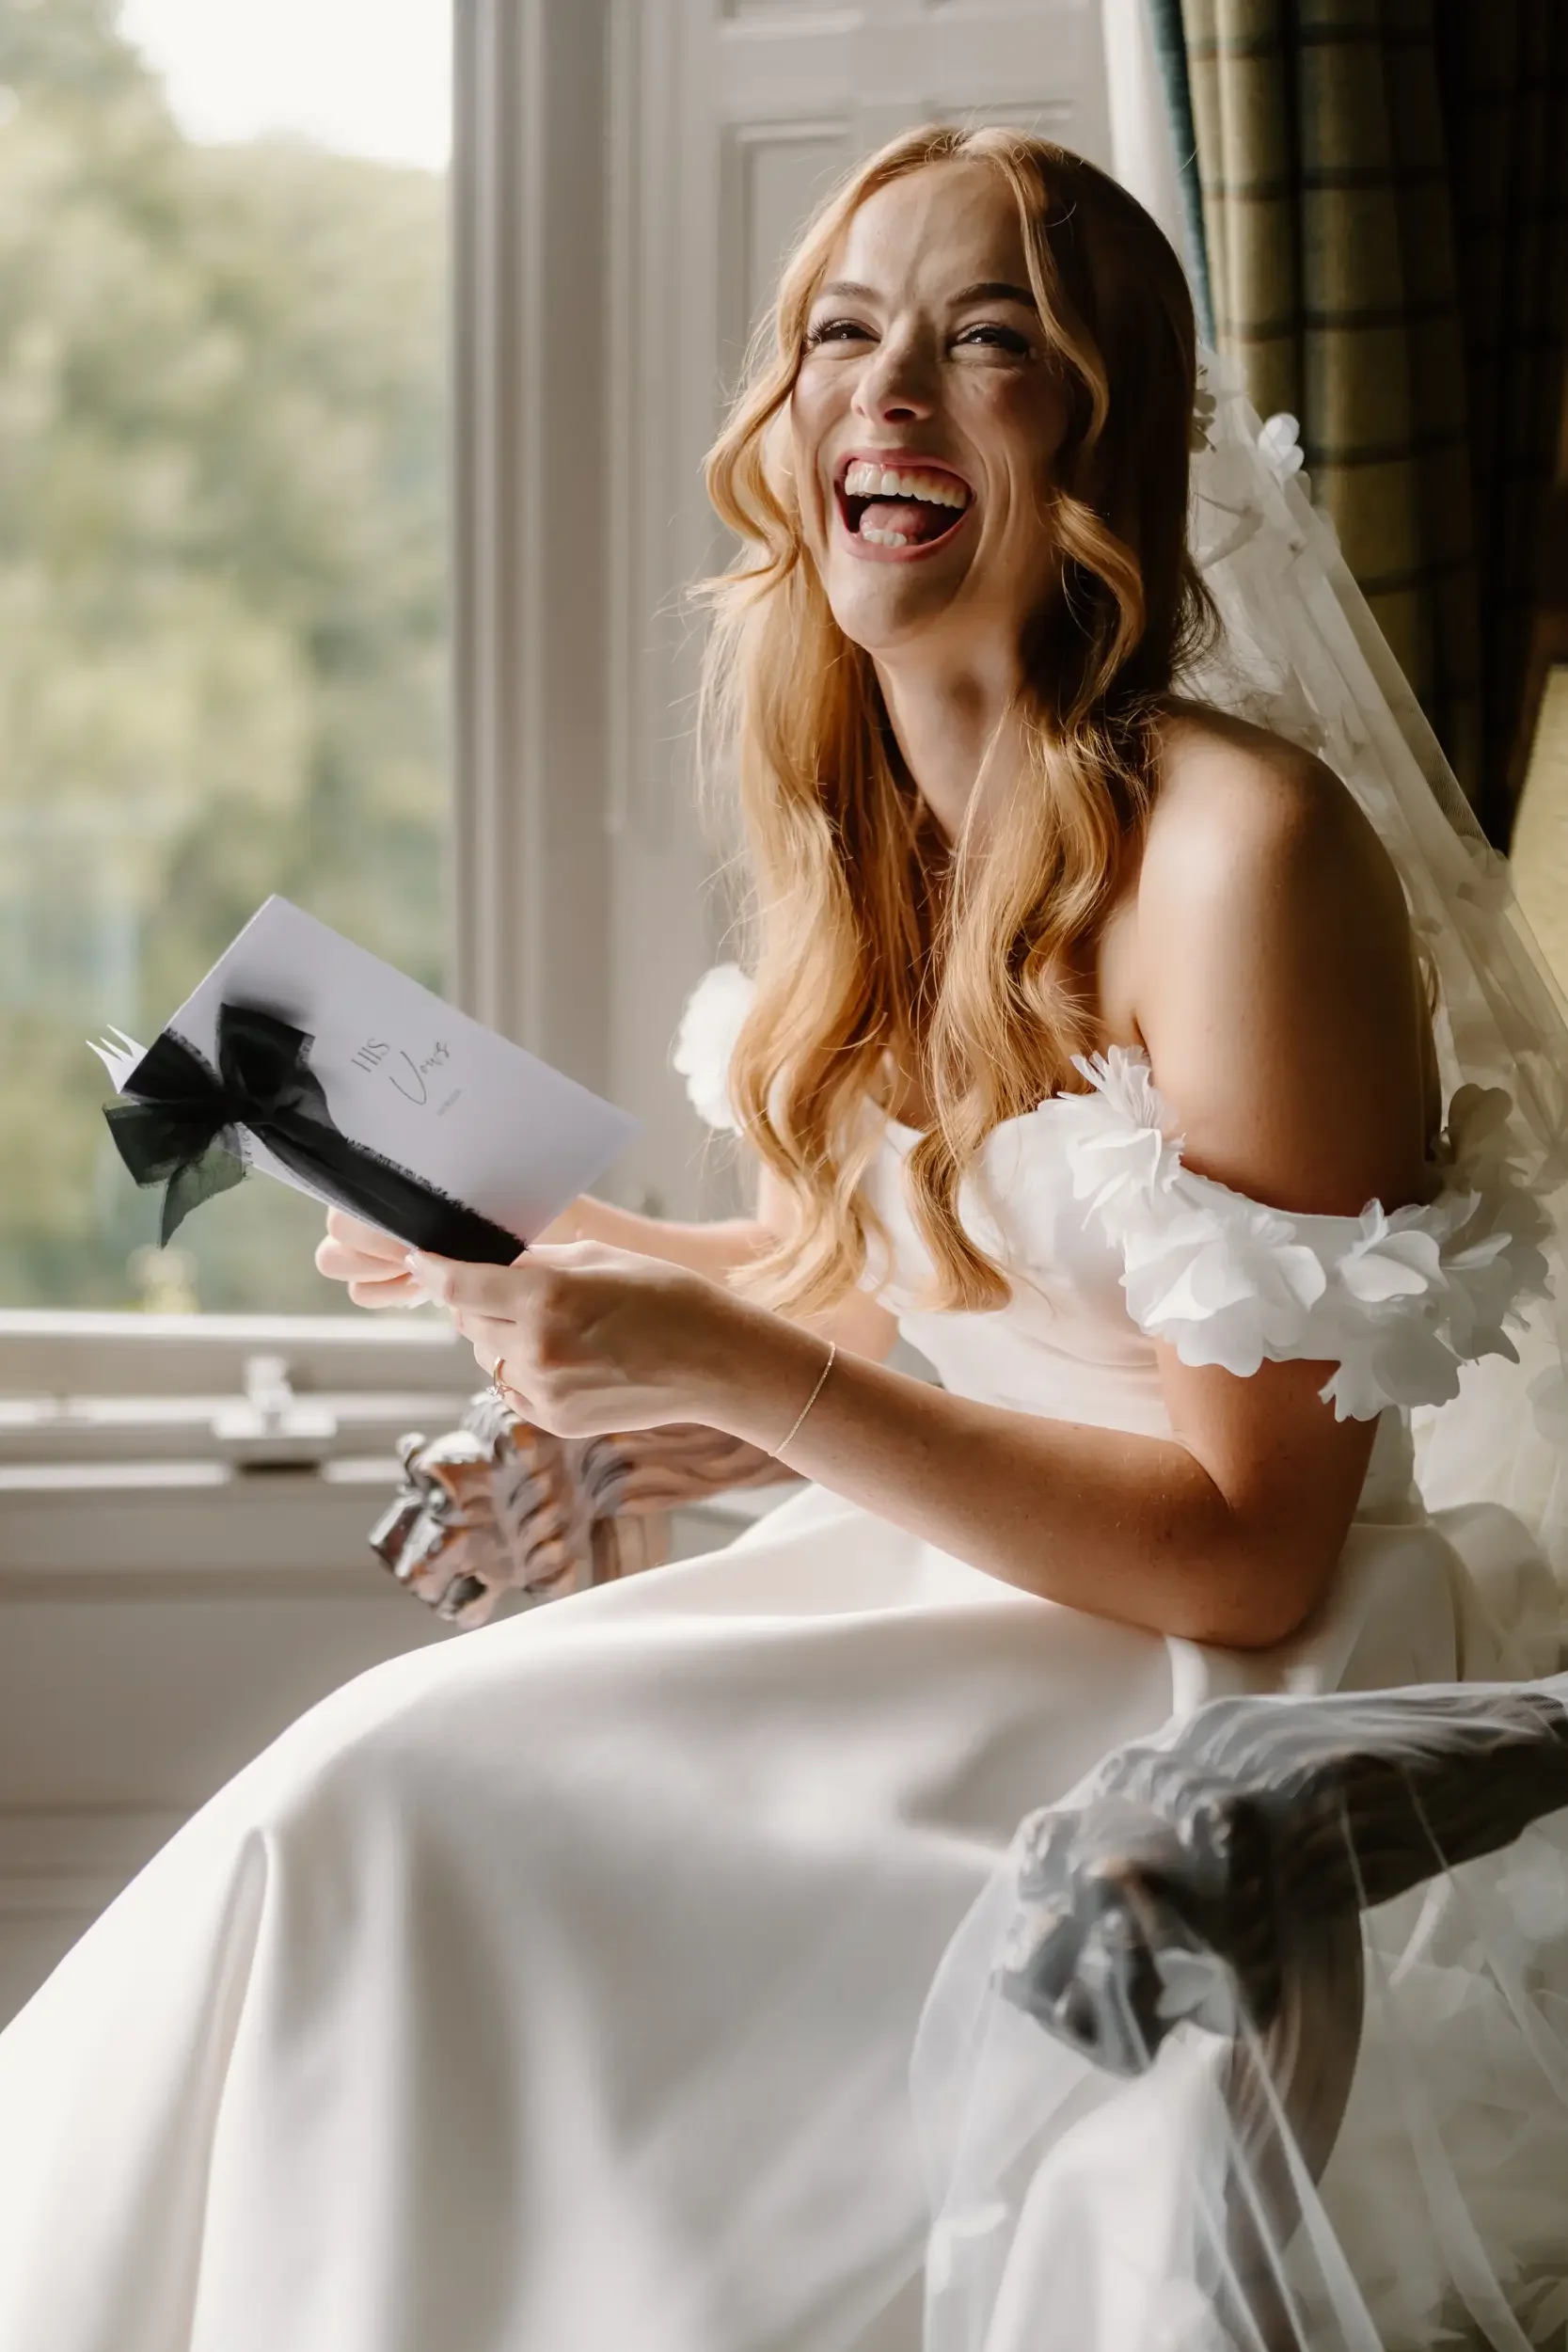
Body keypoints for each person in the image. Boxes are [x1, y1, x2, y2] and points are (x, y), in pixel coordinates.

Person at [1, 126, 1565, 2352]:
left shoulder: (1243, 856)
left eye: (982, 342)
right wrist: (566, 1267)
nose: (885, 392)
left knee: (393, 1816)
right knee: (354, 1803)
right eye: (842, 334)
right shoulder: (877, 812)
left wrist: (711, 1365)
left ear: (1101, 424)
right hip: (941, 1612)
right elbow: (910, 1294)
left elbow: (1245, 1545)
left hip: (1178, 1705)